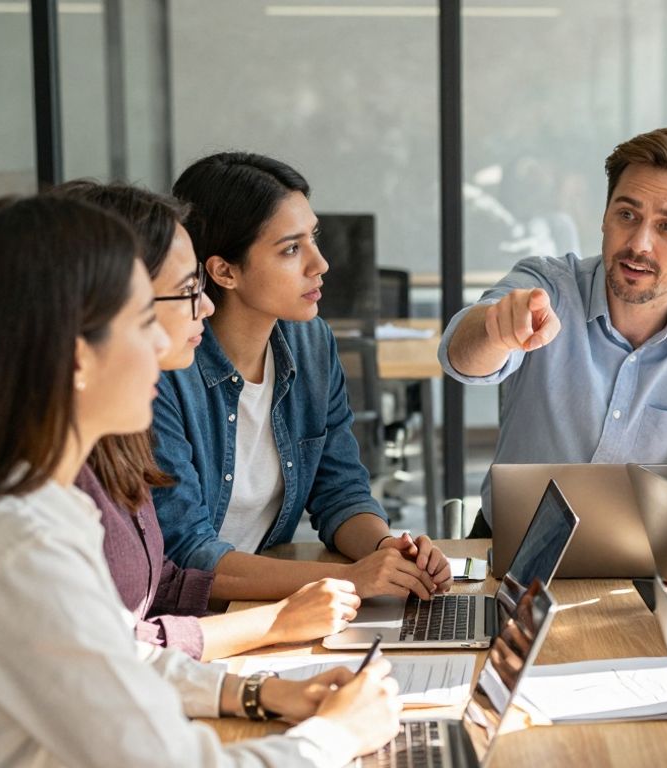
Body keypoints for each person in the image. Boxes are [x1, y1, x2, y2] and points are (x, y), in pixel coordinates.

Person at [0, 194, 402, 766]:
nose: (164, 341)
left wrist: (255, 693)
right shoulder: (21, 549)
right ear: (77, 357)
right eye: (142, 321)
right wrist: (338, 735)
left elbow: (119, 653)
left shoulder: (46, 512)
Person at [53, 180, 360, 661]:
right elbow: (112, 655)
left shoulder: (108, 446)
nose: (206, 305)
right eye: (185, 292)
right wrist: (277, 622)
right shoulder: (36, 501)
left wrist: (364, 568)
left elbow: (160, 587)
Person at [155, 153, 452, 602]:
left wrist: (386, 550)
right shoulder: (166, 373)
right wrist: (349, 580)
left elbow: (340, 491)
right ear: (224, 271)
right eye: (291, 249)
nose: (320, 263)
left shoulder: (310, 343)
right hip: (198, 618)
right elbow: (188, 554)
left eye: (312, 238)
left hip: (270, 604)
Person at [440, 126, 667, 532]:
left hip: (651, 547)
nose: (639, 244)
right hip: (511, 544)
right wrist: (495, 331)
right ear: (605, 216)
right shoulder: (547, 286)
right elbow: (460, 359)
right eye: (627, 215)